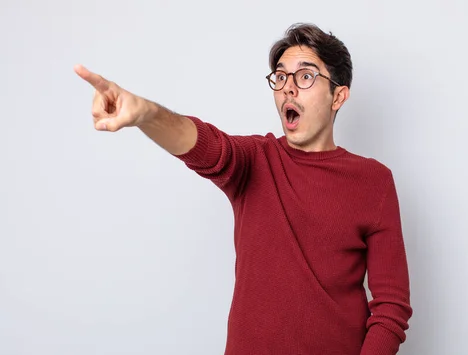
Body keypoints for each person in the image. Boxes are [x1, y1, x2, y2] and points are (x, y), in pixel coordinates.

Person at [75, 23, 412, 355]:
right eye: (280, 77)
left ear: (338, 95)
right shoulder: (255, 161)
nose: (288, 89)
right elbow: (202, 144)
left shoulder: (373, 182)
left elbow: (391, 309)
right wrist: (146, 114)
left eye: (305, 76)